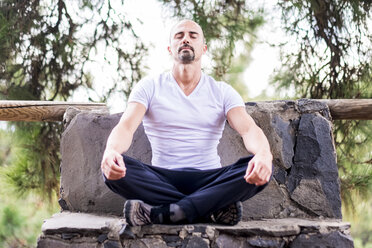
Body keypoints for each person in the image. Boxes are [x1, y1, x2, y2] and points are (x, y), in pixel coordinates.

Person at [101, 19, 273, 226]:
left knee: (255, 168)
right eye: (179, 35)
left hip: (209, 179)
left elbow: (249, 129)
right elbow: (125, 127)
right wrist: (111, 151)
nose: (185, 39)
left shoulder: (222, 91)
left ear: (203, 47)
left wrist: (264, 154)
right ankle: (210, 207)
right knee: (114, 169)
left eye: (193, 35)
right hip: (162, 179)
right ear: (169, 48)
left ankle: (159, 213)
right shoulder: (150, 86)